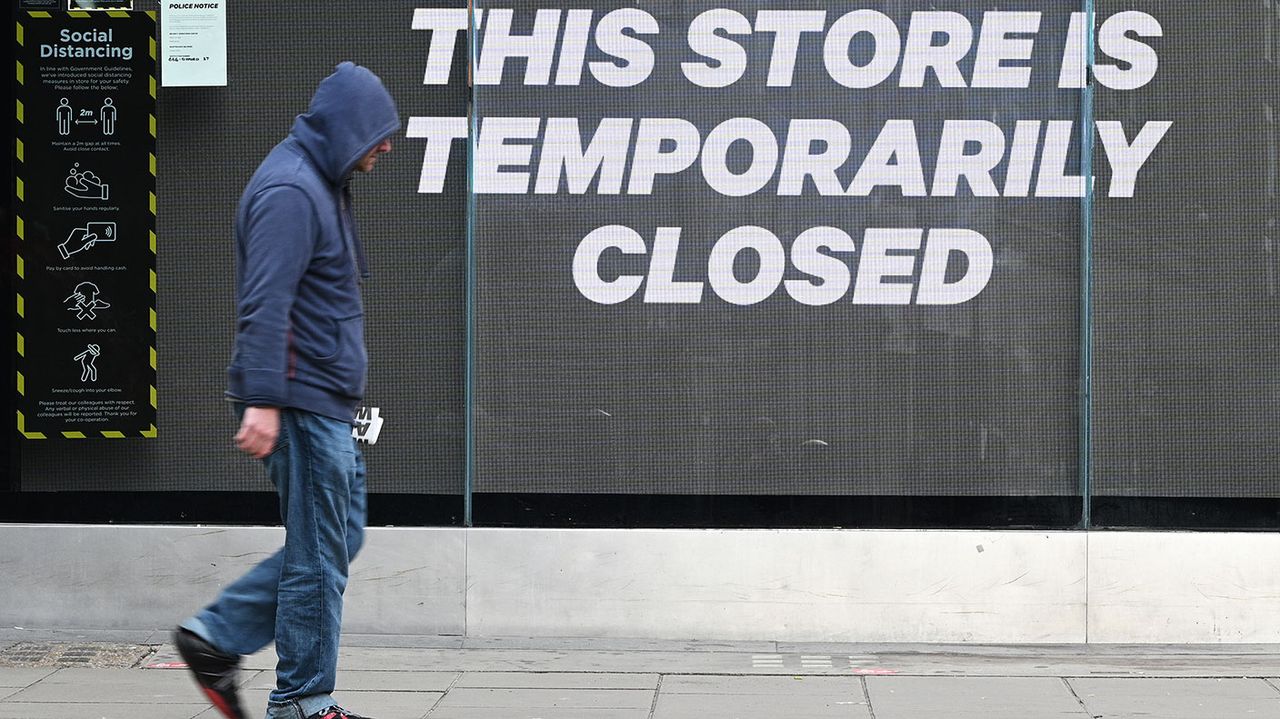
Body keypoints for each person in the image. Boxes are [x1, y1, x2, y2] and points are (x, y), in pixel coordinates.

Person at [173, 61, 399, 719]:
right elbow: (265, 303)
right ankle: (299, 699)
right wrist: (266, 401)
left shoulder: (318, 183)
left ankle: (217, 640)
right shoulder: (291, 192)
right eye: (378, 134)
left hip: (319, 400)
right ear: (346, 129)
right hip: (298, 402)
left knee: (331, 542)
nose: (385, 146)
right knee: (317, 554)